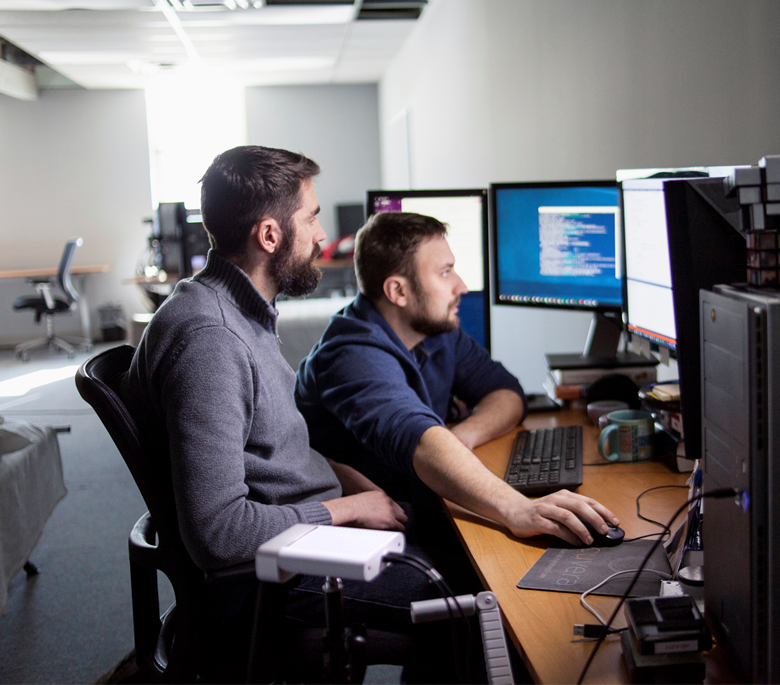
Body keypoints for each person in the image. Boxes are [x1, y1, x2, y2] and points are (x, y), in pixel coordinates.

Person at [120, 146, 448, 682]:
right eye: (312, 218)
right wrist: (350, 509)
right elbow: (218, 533)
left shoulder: (240, 313)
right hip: (270, 583)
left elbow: (267, 446)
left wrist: (342, 478)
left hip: (298, 548)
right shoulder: (212, 340)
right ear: (270, 236)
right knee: (474, 598)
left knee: (448, 542)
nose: (322, 236)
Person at [295, 211, 620, 551]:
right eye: (445, 272)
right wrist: (518, 508)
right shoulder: (351, 354)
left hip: (418, 504)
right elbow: (417, 439)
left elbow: (506, 392)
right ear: (398, 291)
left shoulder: (434, 331)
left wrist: (462, 436)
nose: (461, 285)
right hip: (365, 536)